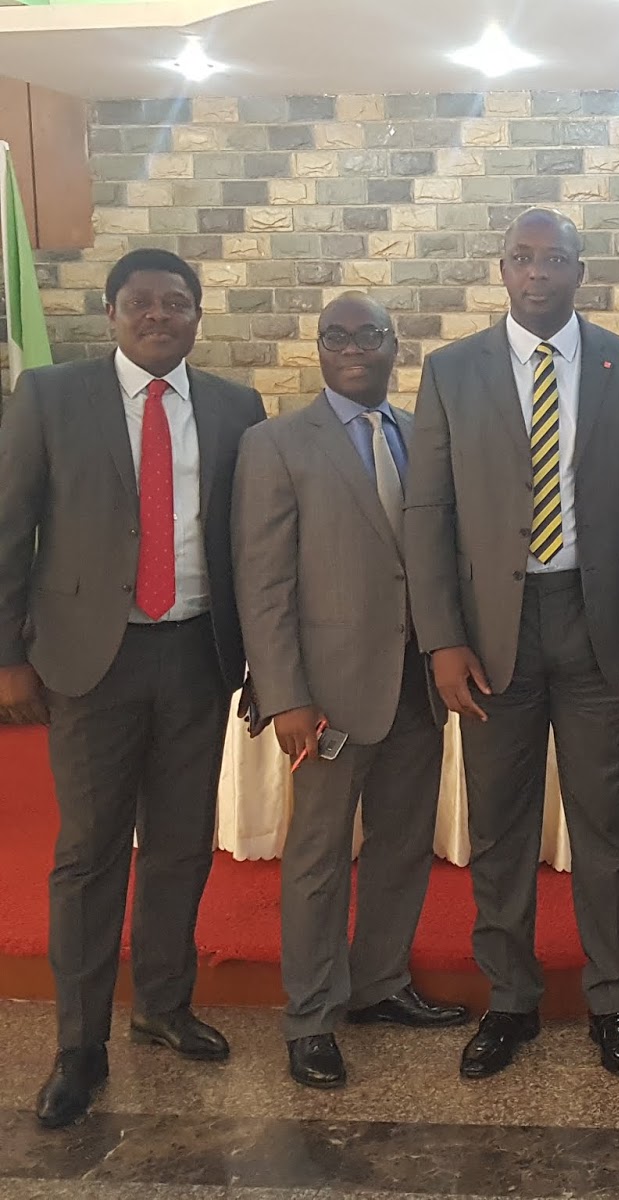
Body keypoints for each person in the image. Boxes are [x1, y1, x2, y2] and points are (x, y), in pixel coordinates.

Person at [404, 207, 619, 1080]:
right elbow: (427, 512)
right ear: (502, 270)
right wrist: (442, 639)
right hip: (493, 635)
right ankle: (511, 999)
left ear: (579, 271)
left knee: (606, 827)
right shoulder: (452, 372)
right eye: (522, 258)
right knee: (500, 825)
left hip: (599, 628)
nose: (537, 272)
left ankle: (612, 1000)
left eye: (554, 258)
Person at [0, 248, 266, 1128]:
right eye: (141, 302)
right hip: (90, 660)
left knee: (183, 844)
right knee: (89, 853)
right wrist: (7, 656)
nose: (159, 315)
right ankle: (79, 1047)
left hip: (197, 654)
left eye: (176, 303)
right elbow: (8, 530)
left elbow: (249, 542)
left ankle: (162, 1005)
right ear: (111, 313)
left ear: (197, 316)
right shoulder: (50, 396)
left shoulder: (235, 407)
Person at [233, 293, 468, 1091]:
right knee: (319, 854)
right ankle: (310, 1015)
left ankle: (380, 983)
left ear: (396, 345)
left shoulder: (419, 435)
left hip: (415, 684)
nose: (355, 348)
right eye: (339, 336)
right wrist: (284, 694)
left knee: (404, 842)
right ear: (320, 347)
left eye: (371, 335)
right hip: (327, 694)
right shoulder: (275, 444)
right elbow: (262, 582)